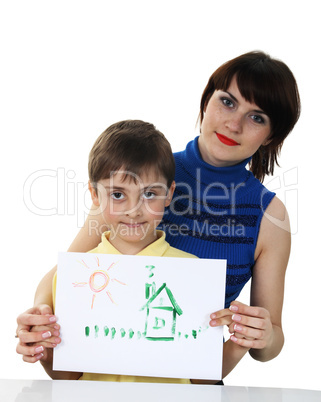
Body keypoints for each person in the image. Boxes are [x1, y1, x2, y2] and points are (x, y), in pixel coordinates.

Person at [16, 51, 300, 382]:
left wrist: (261, 336)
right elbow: (69, 273)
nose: (233, 123)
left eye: (257, 117)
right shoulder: (142, 171)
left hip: (188, 377)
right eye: (227, 102)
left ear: (271, 136)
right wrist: (40, 318)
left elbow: (270, 340)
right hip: (103, 367)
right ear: (206, 100)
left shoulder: (270, 214)